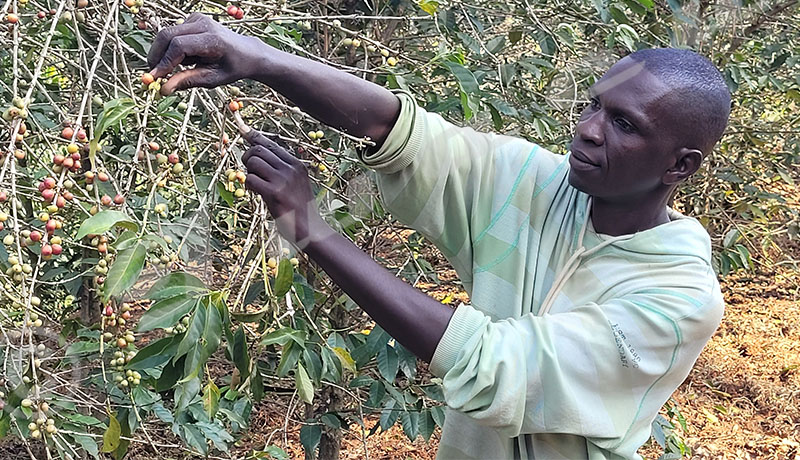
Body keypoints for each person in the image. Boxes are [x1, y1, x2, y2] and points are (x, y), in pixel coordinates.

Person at [147, 13, 730, 459]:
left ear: (680, 166)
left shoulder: (678, 301)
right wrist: (260, 60)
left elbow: (492, 364)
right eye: (595, 106)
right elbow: (399, 131)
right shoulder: (540, 182)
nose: (588, 131)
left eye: (624, 124)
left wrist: (309, 226)